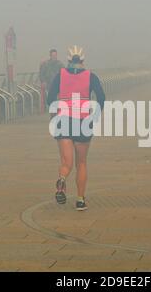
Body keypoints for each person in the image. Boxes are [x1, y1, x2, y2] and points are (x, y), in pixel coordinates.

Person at [47, 46, 105, 211]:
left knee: (66, 162)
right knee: (81, 162)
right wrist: (94, 115)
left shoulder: (60, 76)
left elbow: (50, 98)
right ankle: (80, 200)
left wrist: (54, 115)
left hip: (62, 119)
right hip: (82, 121)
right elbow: (101, 98)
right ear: (82, 60)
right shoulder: (90, 77)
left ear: (68, 60)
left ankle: (62, 179)